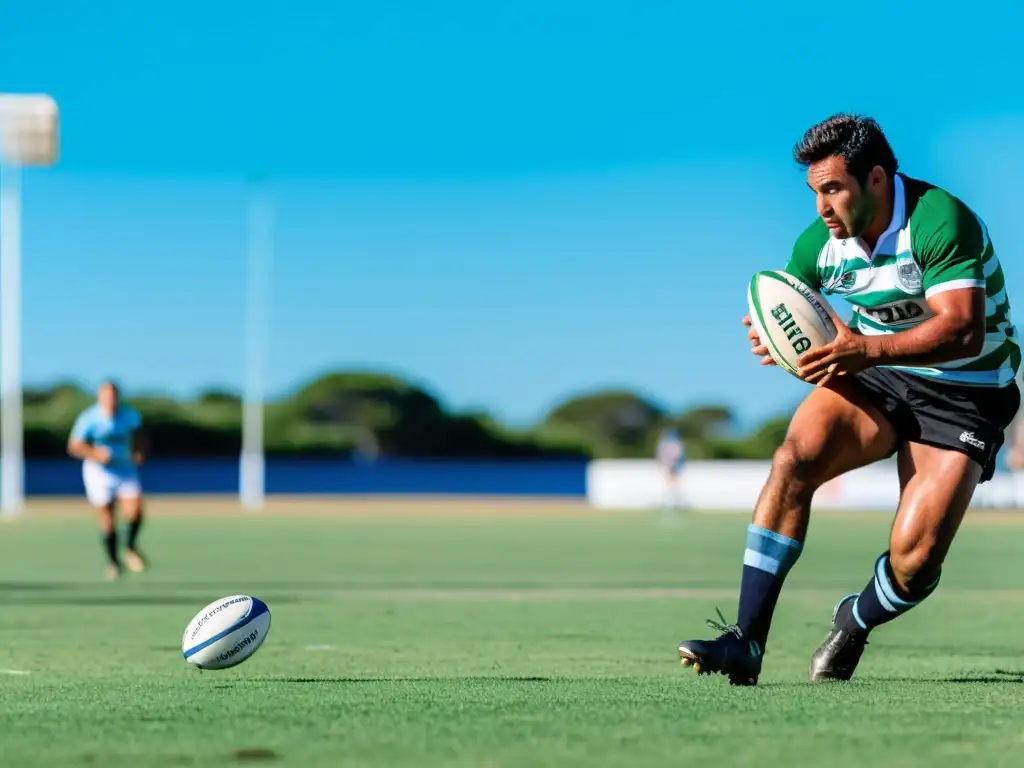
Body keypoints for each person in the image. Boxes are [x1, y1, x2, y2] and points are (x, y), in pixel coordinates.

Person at [677, 114, 1020, 685]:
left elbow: (962, 329)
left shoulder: (940, 221)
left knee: (914, 563)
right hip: (876, 374)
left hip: (967, 393)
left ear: (879, 179)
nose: (821, 208)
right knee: (796, 458)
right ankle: (746, 641)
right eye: (815, 191)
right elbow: (792, 312)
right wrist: (776, 338)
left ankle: (853, 619)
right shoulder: (820, 247)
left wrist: (863, 350)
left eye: (833, 188)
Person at [67, 381, 149, 579]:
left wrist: (139, 452)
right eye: (106, 396)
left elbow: (140, 436)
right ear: (100, 397)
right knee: (107, 513)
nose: (110, 400)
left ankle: (130, 547)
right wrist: (94, 453)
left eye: (113, 396)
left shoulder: (129, 415)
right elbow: (74, 446)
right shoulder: (89, 418)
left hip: (124, 468)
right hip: (99, 471)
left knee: (135, 510)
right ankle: (113, 561)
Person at [656, 427, 687, 511]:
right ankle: (671, 502)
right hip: (669, 466)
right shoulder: (666, 444)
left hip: (673, 466)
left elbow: (678, 456)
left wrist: (674, 465)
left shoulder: (674, 444)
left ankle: (675, 502)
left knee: (673, 484)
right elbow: (662, 456)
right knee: (671, 484)